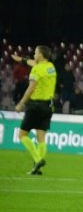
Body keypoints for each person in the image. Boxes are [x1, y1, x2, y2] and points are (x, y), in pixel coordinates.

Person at [12, 46, 57, 175]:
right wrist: (22, 59)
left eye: (36, 52)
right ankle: (39, 168)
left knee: (22, 135)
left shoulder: (37, 69)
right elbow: (33, 62)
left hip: (35, 106)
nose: (34, 54)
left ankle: (38, 160)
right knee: (41, 137)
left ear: (41, 55)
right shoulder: (51, 67)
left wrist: (21, 103)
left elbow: (31, 88)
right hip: (48, 106)